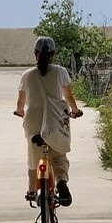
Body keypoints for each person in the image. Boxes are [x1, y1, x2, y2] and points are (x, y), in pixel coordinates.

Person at [13, 36, 83, 206]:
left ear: (35, 54)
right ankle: (61, 182)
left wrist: (20, 111)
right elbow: (68, 95)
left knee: (34, 158)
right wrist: (75, 111)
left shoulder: (27, 75)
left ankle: (31, 190)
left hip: (33, 122)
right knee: (59, 156)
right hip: (55, 121)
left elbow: (20, 101)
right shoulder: (60, 71)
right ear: (53, 54)